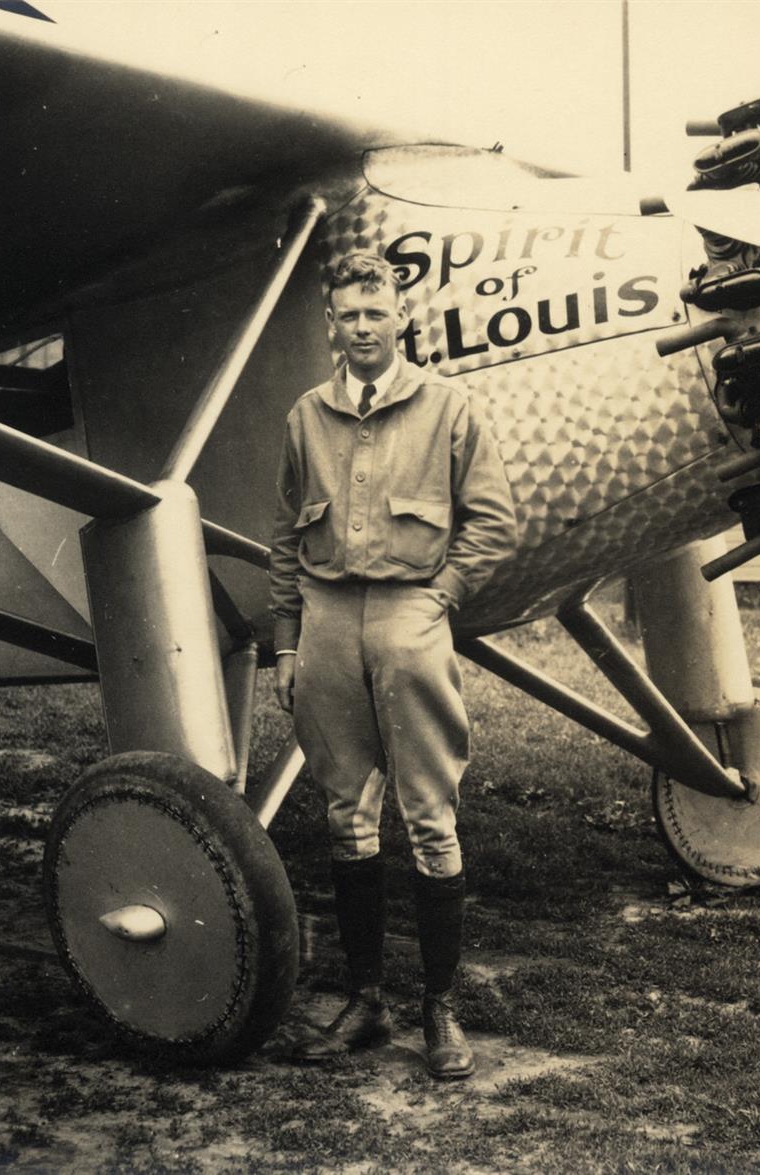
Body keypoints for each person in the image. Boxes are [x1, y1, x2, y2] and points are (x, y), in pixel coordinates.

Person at [267, 251, 518, 1079]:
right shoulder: (307, 415)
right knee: (348, 816)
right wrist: (287, 641)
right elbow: (283, 540)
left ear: (401, 319)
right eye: (350, 315)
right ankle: (368, 1001)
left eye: (378, 313)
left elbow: (493, 522)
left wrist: (439, 597)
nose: (364, 328)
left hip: (413, 613)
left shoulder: (449, 408)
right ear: (331, 326)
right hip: (328, 622)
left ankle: (438, 1009)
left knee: (431, 816)